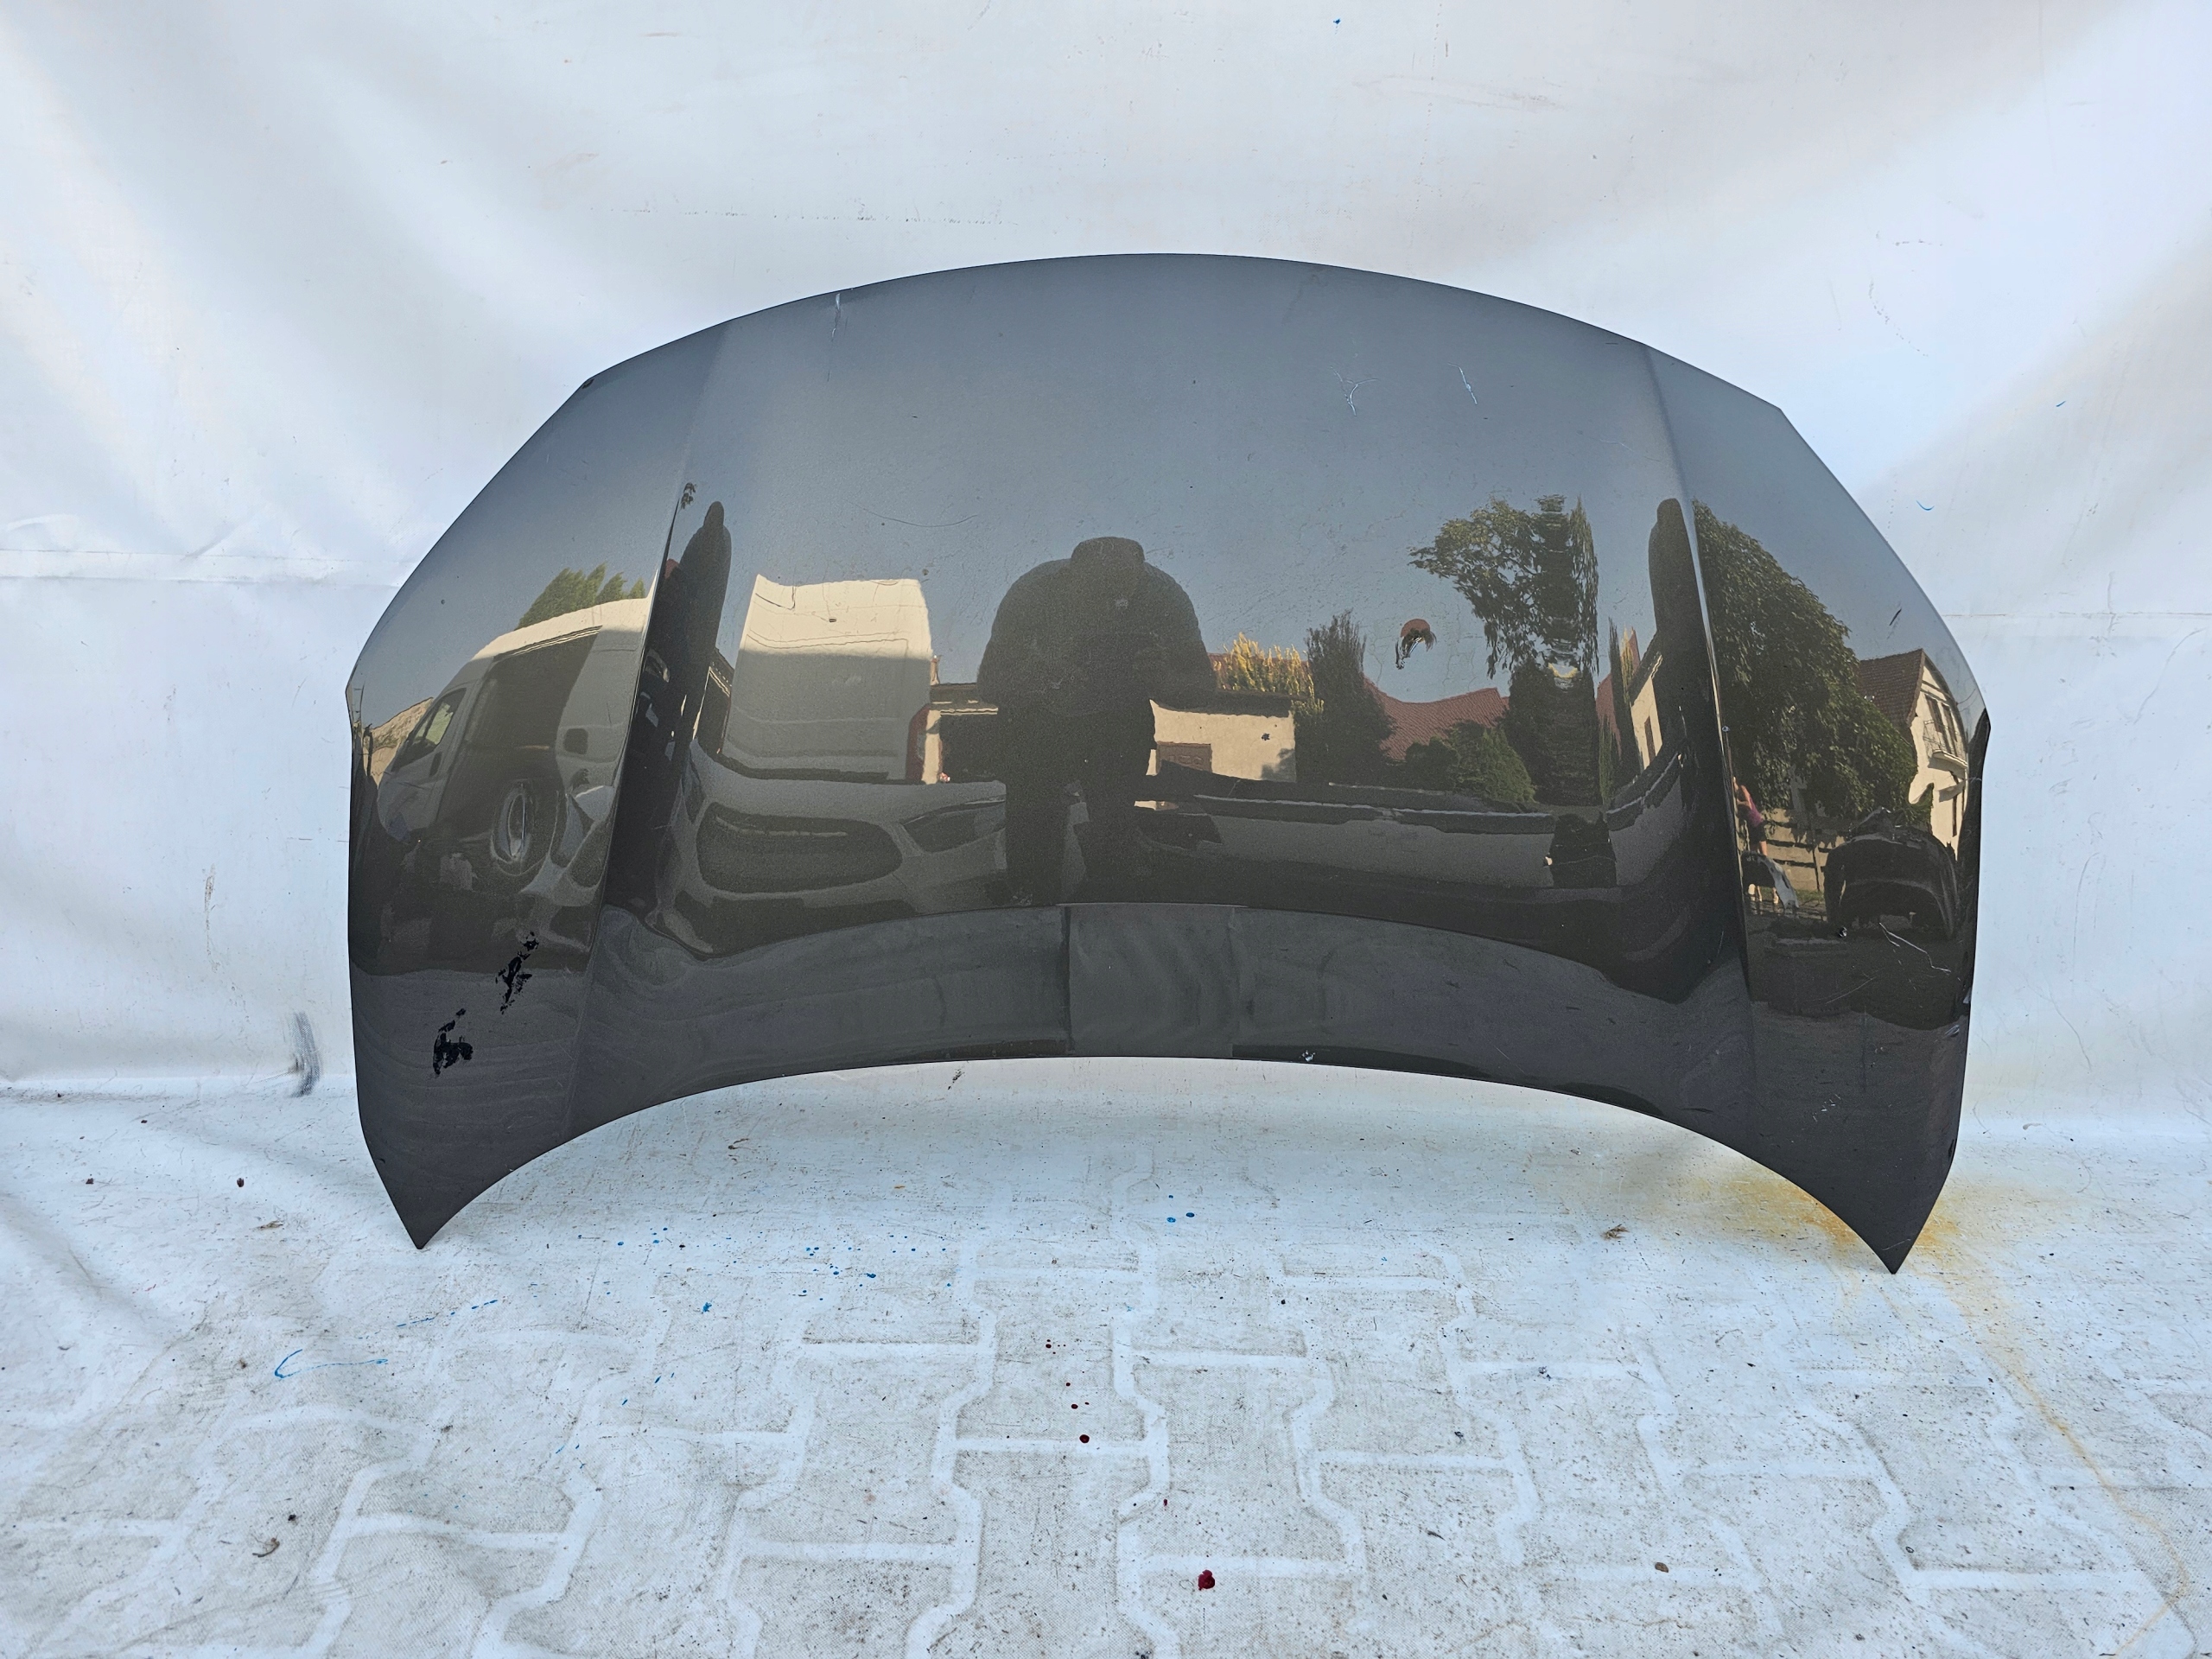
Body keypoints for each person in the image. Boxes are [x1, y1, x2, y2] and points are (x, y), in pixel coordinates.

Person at [976, 536, 1214, 902]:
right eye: (1098, 595)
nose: (1112, 610)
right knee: (1033, 833)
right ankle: (1031, 904)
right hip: (1039, 719)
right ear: (1070, 578)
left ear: (1141, 579)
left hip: (1119, 721)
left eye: (1122, 599)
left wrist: (1163, 681)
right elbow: (990, 684)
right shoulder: (1033, 592)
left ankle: (1112, 901)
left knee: (1115, 835)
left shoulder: (1164, 596)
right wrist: (1045, 678)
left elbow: (1203, 687)